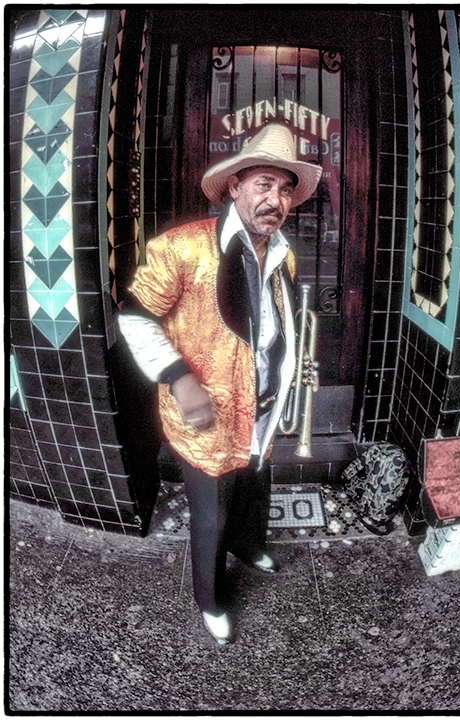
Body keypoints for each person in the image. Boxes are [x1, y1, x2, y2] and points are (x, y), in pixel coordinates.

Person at [118, 123, 322, 645]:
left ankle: (249, 546)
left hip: (263, 404)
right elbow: (135, 317)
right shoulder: (182, 249)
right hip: (205, 412)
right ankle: (208, 600)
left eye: (284, 189)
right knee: (210, 511)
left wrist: (289, 369)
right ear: (234, 186)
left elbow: (272, 327)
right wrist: (179, 377)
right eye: (263, 184)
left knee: (255, 485)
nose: (274, 199)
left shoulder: (285, 256)